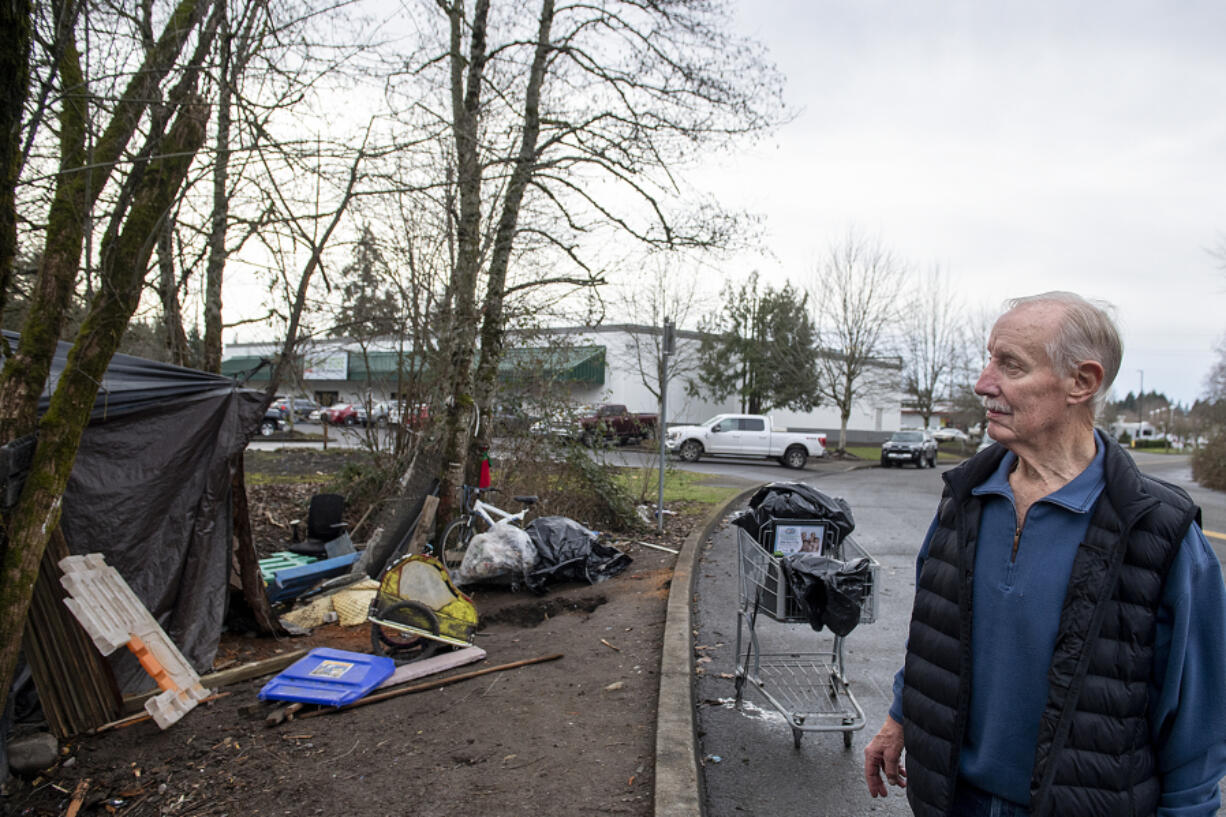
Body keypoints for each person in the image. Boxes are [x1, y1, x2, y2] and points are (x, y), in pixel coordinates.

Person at [863, 292, 1226, 817]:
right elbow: (935, 637)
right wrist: (899, 717)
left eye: (1010, 365)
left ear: (1082, 382)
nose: (984, 382)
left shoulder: (1159, 532)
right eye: (989, 360)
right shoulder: (964, 497)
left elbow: (1197, 725)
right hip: (950, 800)